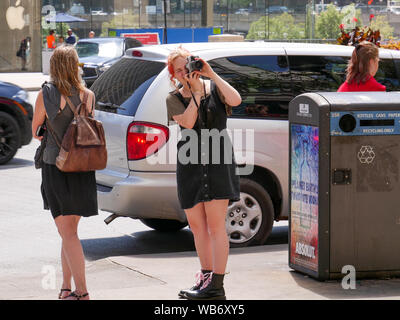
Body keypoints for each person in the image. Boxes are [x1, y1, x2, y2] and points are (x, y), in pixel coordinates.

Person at [166, 46, 242, 300]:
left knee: (216, 226)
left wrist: (212, 73)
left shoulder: (215, 89)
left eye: (186, 66)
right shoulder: (173, 97)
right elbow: (188, 122)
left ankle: (217, 286)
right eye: (177, 69)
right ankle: (206, 279)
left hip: (218, 162)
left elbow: (236, 100)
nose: (183, 72)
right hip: (190, 165)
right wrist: (196, 95)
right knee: (197, 227)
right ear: (173, 74)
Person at [31, 45, 97, 300]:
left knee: (66, 232)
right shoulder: (88, 95)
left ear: (54, 66)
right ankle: (65, 288)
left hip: (55, 166)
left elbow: (35, 130)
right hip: (82, 167)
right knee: (69, 232)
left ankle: (82, 293)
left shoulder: (45, 94)